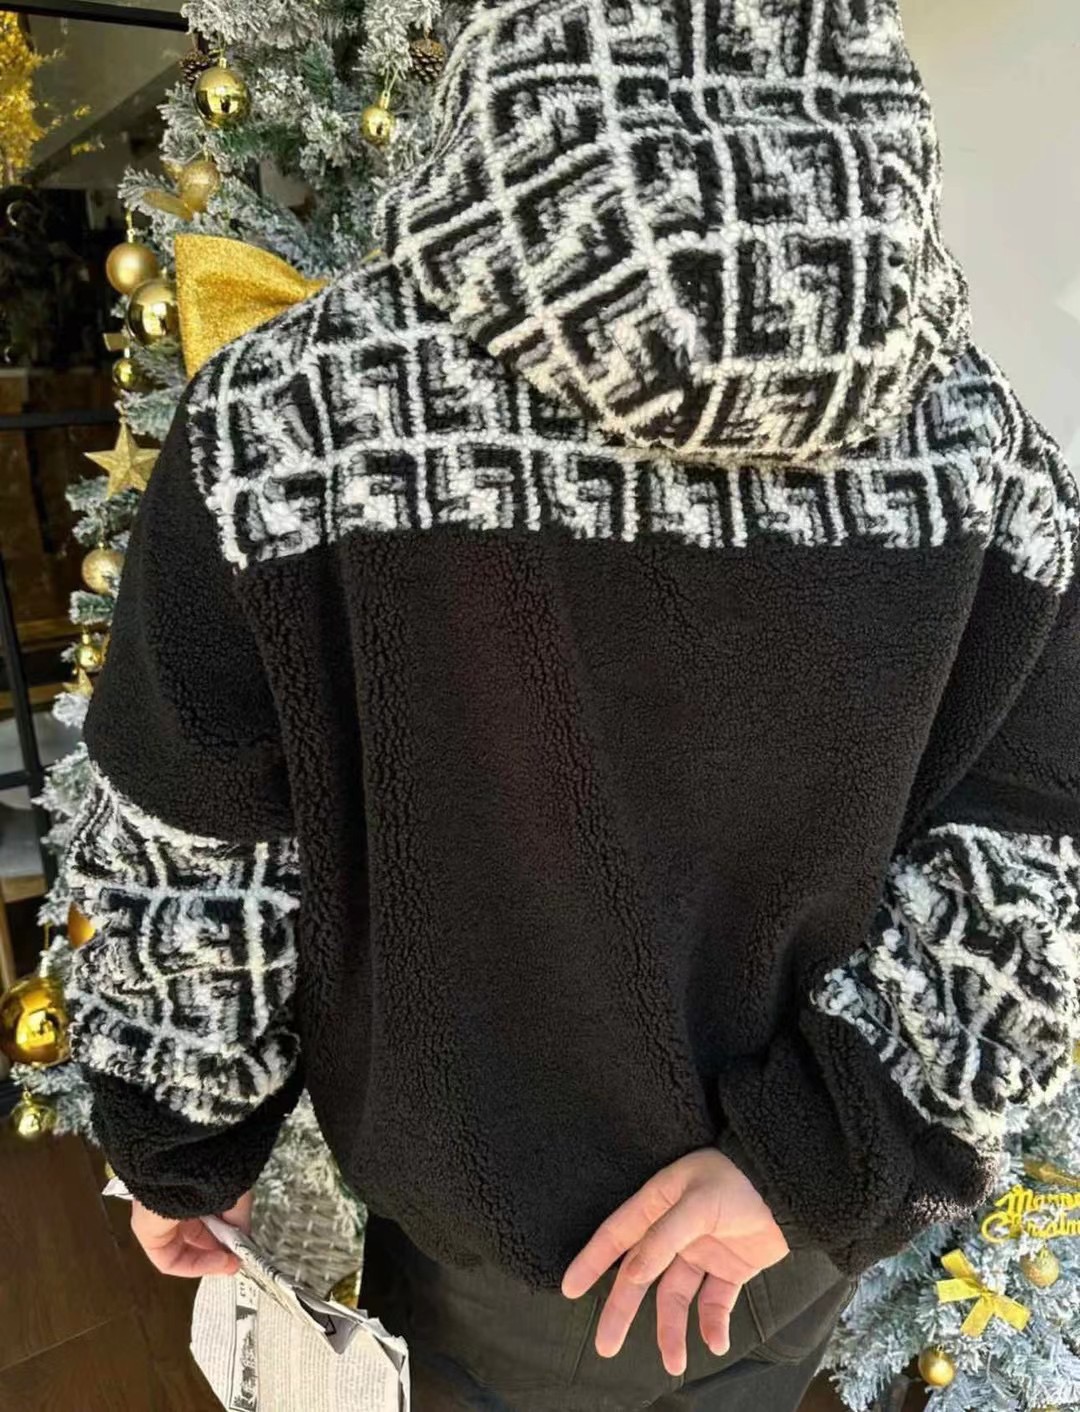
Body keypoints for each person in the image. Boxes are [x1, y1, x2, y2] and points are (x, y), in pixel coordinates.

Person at [60, 1, 1080, 1408]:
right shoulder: (992, 459)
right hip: (782, 1239)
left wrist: (183, 1142)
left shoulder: (288, 422)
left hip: (478, 1237)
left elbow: (198, 851)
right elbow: (1033, 865)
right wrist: (828, 1156)